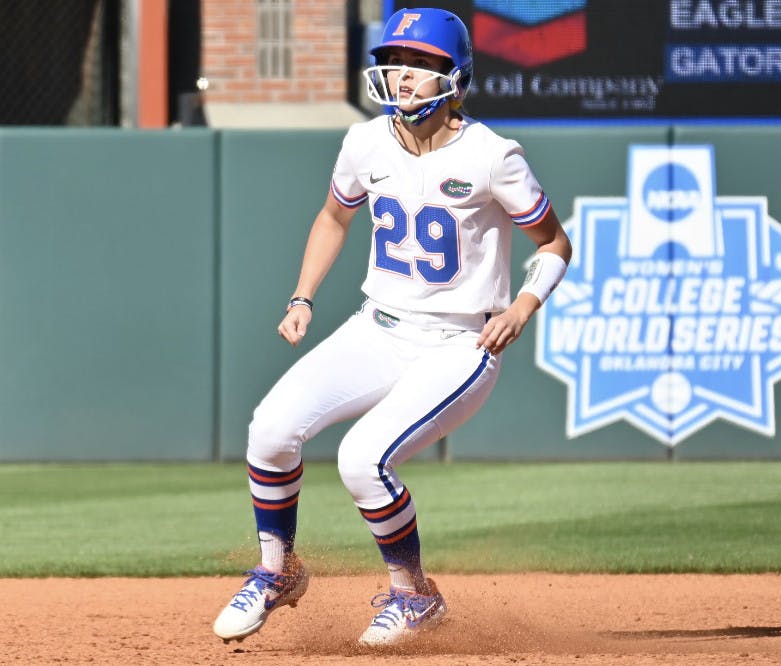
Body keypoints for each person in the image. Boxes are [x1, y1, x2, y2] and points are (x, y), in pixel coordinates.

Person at [213, 6, 572, 648]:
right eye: (394, 61)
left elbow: (553, 242)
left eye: (420, 63)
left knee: (362, 459)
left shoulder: (494, 156)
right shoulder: (365, 141)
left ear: (455, 76)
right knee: (269, 430)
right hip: (377, 327)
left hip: (460, 341)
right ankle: (277, 571)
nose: (402, 74)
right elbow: (333, 217)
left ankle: (414, 595)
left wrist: (523, 306)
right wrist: (302, 296)